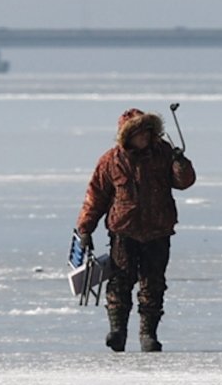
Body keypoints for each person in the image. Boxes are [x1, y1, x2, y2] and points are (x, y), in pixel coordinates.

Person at [76, 108, 196, 352]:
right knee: (120, 281)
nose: (144, 136)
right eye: (138, 132)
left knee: (153, 284)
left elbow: (185, 182)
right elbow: (95, 196)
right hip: (124, 231)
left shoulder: (163, 153)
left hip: (158, 230)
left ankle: (148, 334)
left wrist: (181, 163)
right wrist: (85, 229)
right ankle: (118, 331)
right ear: (127, 135)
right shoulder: (111, 161)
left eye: (146, 131)